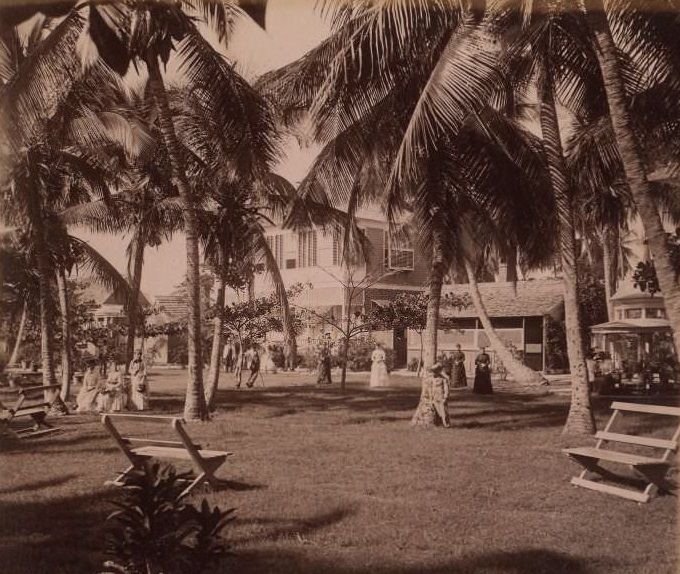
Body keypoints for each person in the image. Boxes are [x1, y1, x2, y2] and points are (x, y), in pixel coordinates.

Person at [427, 363, 450, 427]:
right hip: (434, 396)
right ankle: (437, 423)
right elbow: (430, 388)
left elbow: (446, 388)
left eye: (435, 372)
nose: (433, 373)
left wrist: (445, 396)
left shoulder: (443, 379)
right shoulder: (431, 379)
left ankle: (446, 423)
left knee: (443, 411)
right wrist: (431, 397)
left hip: (441, 396)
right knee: (436, 411)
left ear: (438, 371)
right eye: (433, 372)